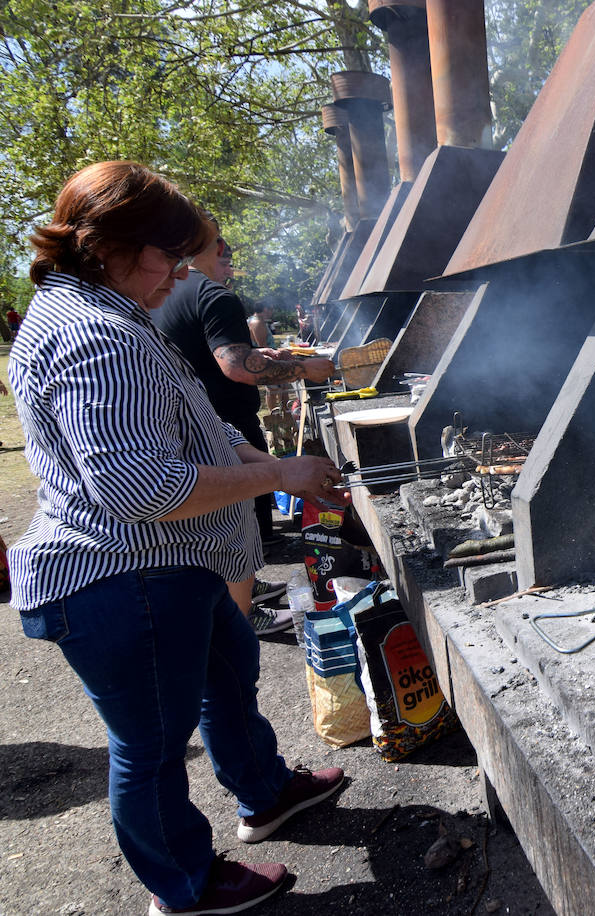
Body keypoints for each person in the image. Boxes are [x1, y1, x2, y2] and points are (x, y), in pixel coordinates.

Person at [8, 161, 346, 916]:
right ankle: (186, 885)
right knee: (153, 747)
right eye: (167, 255)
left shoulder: (101, 315)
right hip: (119, 581)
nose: (179, 272)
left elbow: (196, 427)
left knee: (230, 669)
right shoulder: (99, 336)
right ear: (106, 245)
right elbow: (142, 487)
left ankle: (264, 794)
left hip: (168, 570)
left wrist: (278, 467)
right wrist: (277, 474)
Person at [152, 218, 336, 628]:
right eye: (225, 252)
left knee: (217, 518)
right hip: (222, 418)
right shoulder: (215, 294)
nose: (229, 265)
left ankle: (243, 592)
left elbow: (211, 355)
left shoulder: (168, 295)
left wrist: (266, 356)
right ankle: (243, 611)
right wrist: (306, 368)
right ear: (215, 250)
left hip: (197, 423)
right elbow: (234, 365)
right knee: (235, 510)